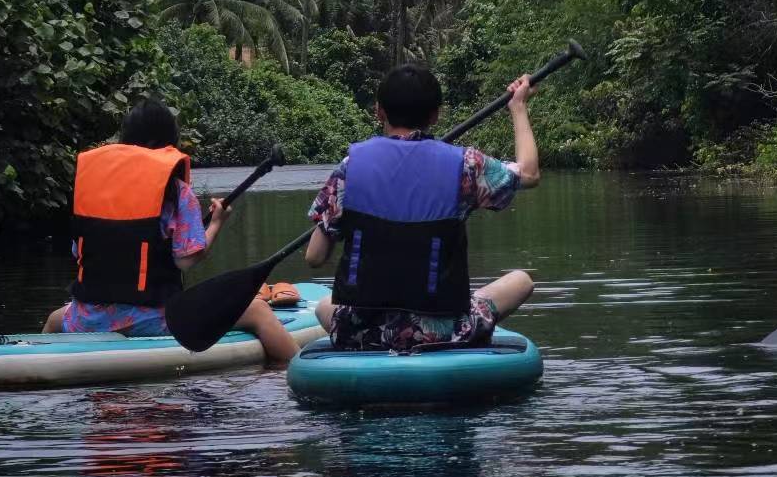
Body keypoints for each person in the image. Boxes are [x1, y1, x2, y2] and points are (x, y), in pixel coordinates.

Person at [43, 97, 297, 362]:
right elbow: (187, 260)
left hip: (89, 320)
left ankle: (39, 361)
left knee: (54, 320)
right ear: (166, 141)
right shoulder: (177, 191)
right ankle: (302, 373)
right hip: (155, 320)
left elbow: (79, 252)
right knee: (258, 311)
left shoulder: (93, 192)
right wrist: (217, 223)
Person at [305, 64, 539, 351]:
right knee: (521, 281)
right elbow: (528, 173)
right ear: (435, 115)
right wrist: (518, 107)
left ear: (379, 111)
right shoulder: (465, 165)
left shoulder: (350, 167)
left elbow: (314, 257)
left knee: (322, 306)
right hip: (445, 332)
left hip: (363, 332)